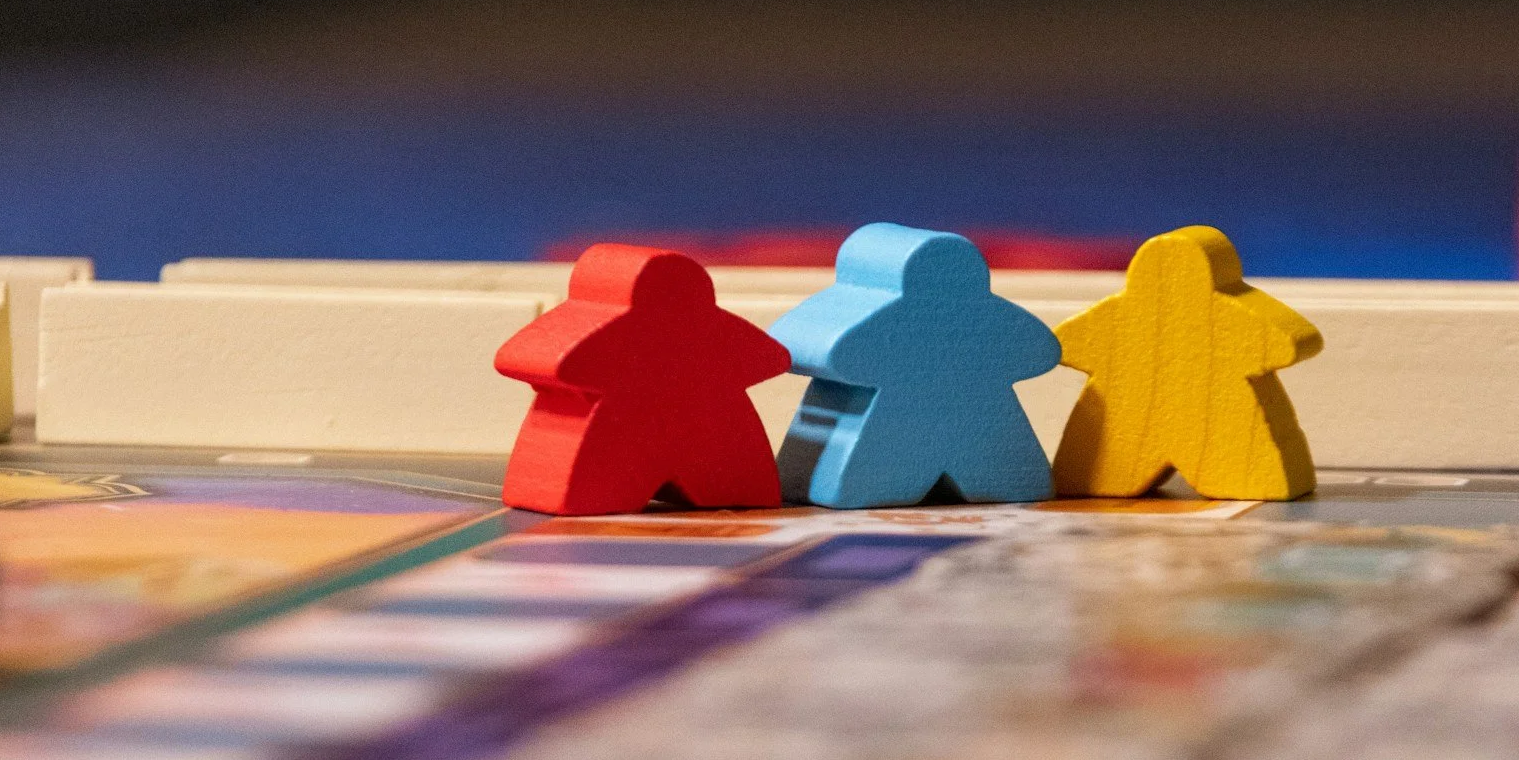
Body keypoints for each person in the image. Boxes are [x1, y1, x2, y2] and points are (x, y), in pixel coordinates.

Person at [772, 224, 1063, 507]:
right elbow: (821, 352)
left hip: (959, 423)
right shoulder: (984, 314)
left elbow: (827, 352)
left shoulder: (979, 316)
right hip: (897, 429)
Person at [496, 244, 789, 514]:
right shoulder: (709, 327)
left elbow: (526, 358)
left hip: (687, 436)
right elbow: (775, 358)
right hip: (634, 436)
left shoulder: (702, 328)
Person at [1052, 225, 1322, 501]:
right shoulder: (1231, 312)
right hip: (1210, 421)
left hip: (1162, 419)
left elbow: (1061, 344)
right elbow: (1291, 343)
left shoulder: (1116, 313)